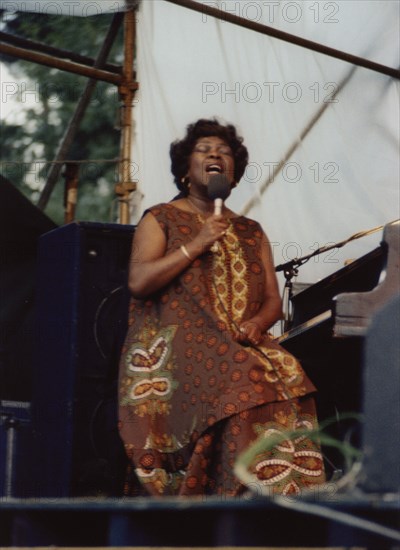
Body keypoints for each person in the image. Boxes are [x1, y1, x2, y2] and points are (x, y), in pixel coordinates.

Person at [118, 118, 325, 497]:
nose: (215, 154)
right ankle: (238, 496)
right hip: (178, 349)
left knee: (291, 371)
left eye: (224, 152)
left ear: (233, 174)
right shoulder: (161, 217)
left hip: (239, 345)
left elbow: (272, 302)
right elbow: (139, 281)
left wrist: (257, 324)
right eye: (204, 149)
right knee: (246, 376)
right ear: (185, 169)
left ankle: (289, 497)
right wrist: (197, 242)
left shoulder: (251, 230)